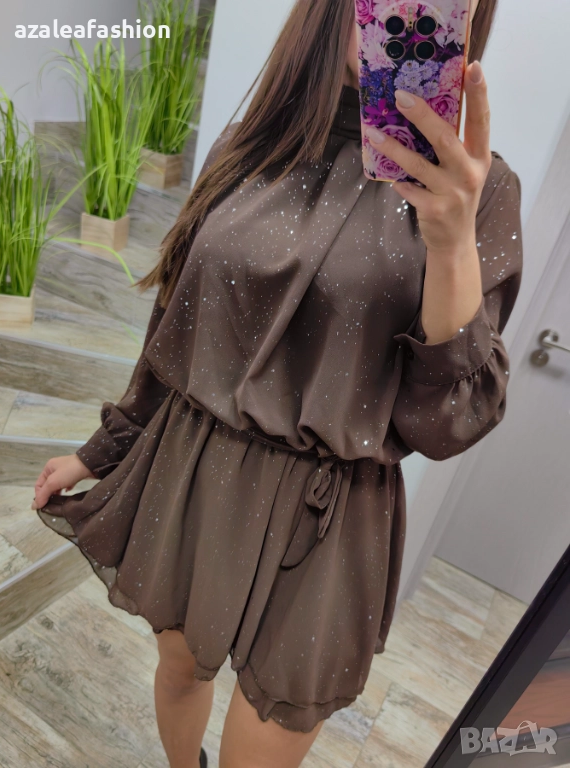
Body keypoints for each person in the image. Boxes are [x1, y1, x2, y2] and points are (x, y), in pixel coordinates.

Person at [32, 0, 523, 765]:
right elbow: (174, 332)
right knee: (179, 665)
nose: (404, 13)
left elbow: (449, 423)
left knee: (271, 734)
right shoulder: (248, 145)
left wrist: (452, 245)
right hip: (198, 470)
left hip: (333, 515)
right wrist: (103, 450)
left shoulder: (480, 194)